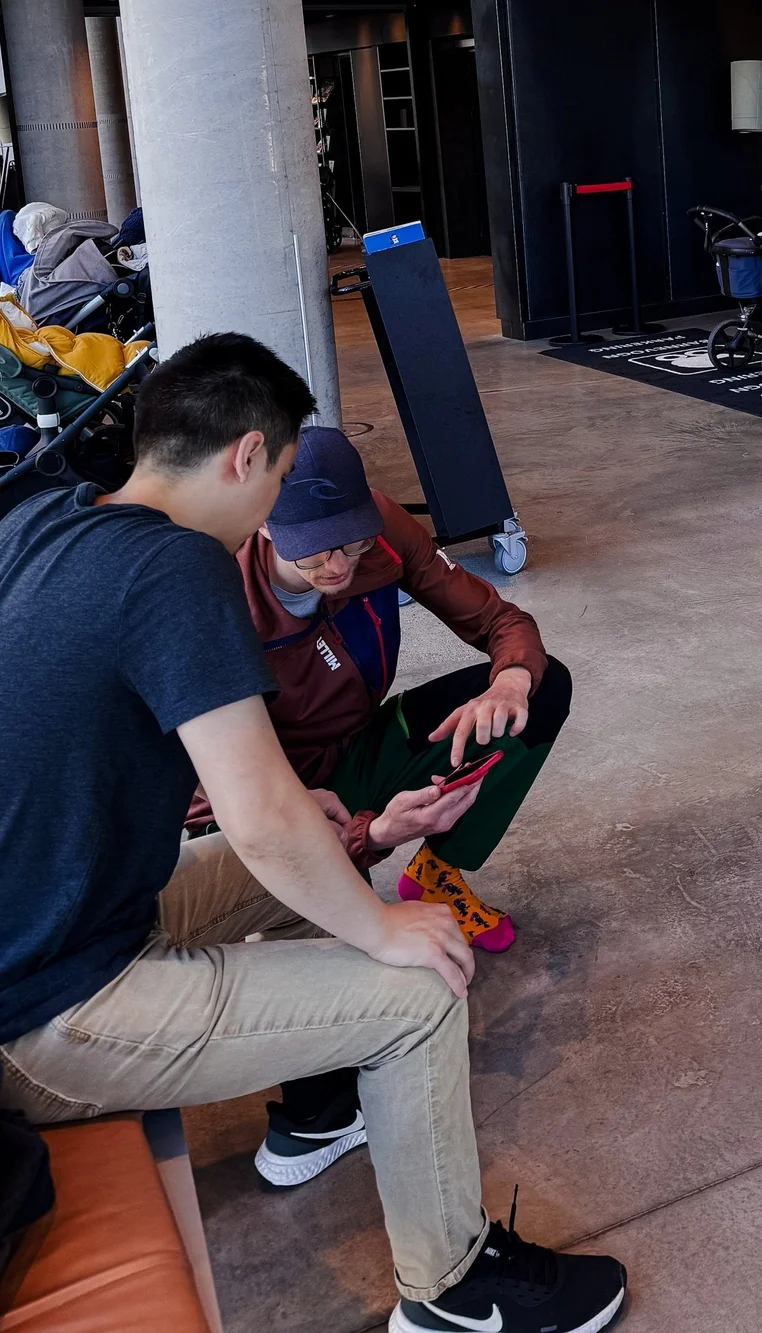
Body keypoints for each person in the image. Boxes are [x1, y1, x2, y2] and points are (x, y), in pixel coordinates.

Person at [0, 333, 626, 1333]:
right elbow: (254, 816)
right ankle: (452, 1291)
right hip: (50, 1004)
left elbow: (250, 806)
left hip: (72, 916)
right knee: (418, 988)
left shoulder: (47, 518)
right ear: (248, 454)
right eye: (281, 475)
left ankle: (320, 1103)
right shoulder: (179, 567)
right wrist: (380, 924)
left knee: (324, 855)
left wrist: (341, 825)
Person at [187, 424, 572, 959]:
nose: (338, 565)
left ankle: (437, 873)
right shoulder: (211, 597)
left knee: (540, 685)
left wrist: (511, 680)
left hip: (357, 745)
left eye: (353, 542)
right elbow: (211, 791)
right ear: (264, 523)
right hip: (265, 797)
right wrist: (370, 835)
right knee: (358, 975)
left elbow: (500, 620)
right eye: (314, 552)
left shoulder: (383, 528)